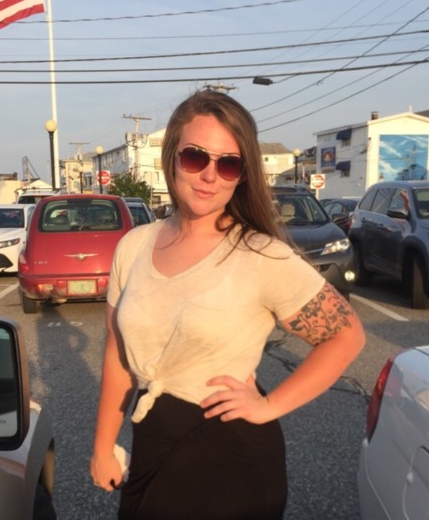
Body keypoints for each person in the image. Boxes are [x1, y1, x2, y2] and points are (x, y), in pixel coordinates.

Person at [90, 90, 365, 519]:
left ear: (242, 175)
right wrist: (103, 447)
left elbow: (346, 336)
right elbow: (117, 353)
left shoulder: (261, 255)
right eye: (195, 157)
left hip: (233, 459)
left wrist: (269, 405)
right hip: (152, 442)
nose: (209, 175)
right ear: (172, 157)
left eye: (228, 164)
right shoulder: (134, 246)